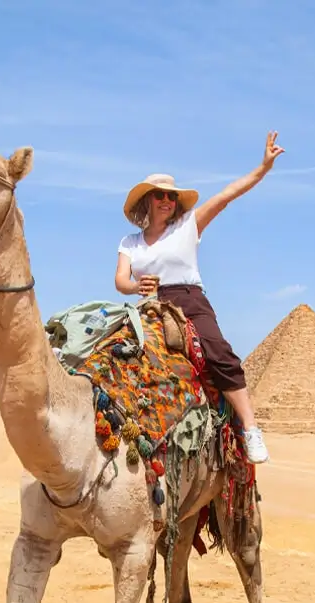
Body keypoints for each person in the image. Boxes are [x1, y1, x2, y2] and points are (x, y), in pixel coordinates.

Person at [114, 131, 285, 464]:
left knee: (219, 353)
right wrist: (137, 287)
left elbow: (226, 196)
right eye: (160, 195)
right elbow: (121, 279)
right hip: (149, 305)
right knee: (115, 358)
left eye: (171, 196)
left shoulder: (188, 226)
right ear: (148, 200)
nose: (167, 201)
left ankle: (249, 427)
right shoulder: (130, 242)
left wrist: (262, 168)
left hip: (189, 299)